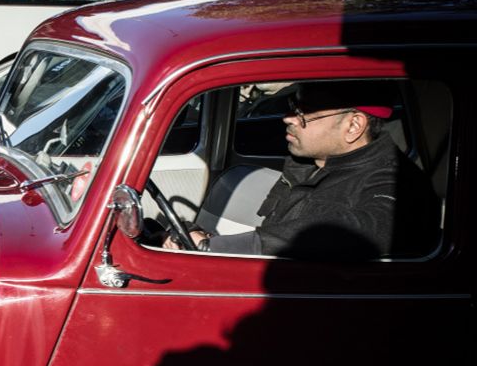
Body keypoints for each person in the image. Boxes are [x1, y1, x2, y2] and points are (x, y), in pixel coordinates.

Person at [164, 81, 441, 259]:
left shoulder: (396, 183)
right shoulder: (310, 164)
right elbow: (276, 235)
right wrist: (201, 237)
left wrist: (212, 247)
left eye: (304, 112)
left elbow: (370, 229)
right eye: (292, 106)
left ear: (354, 126)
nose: (288, 118)